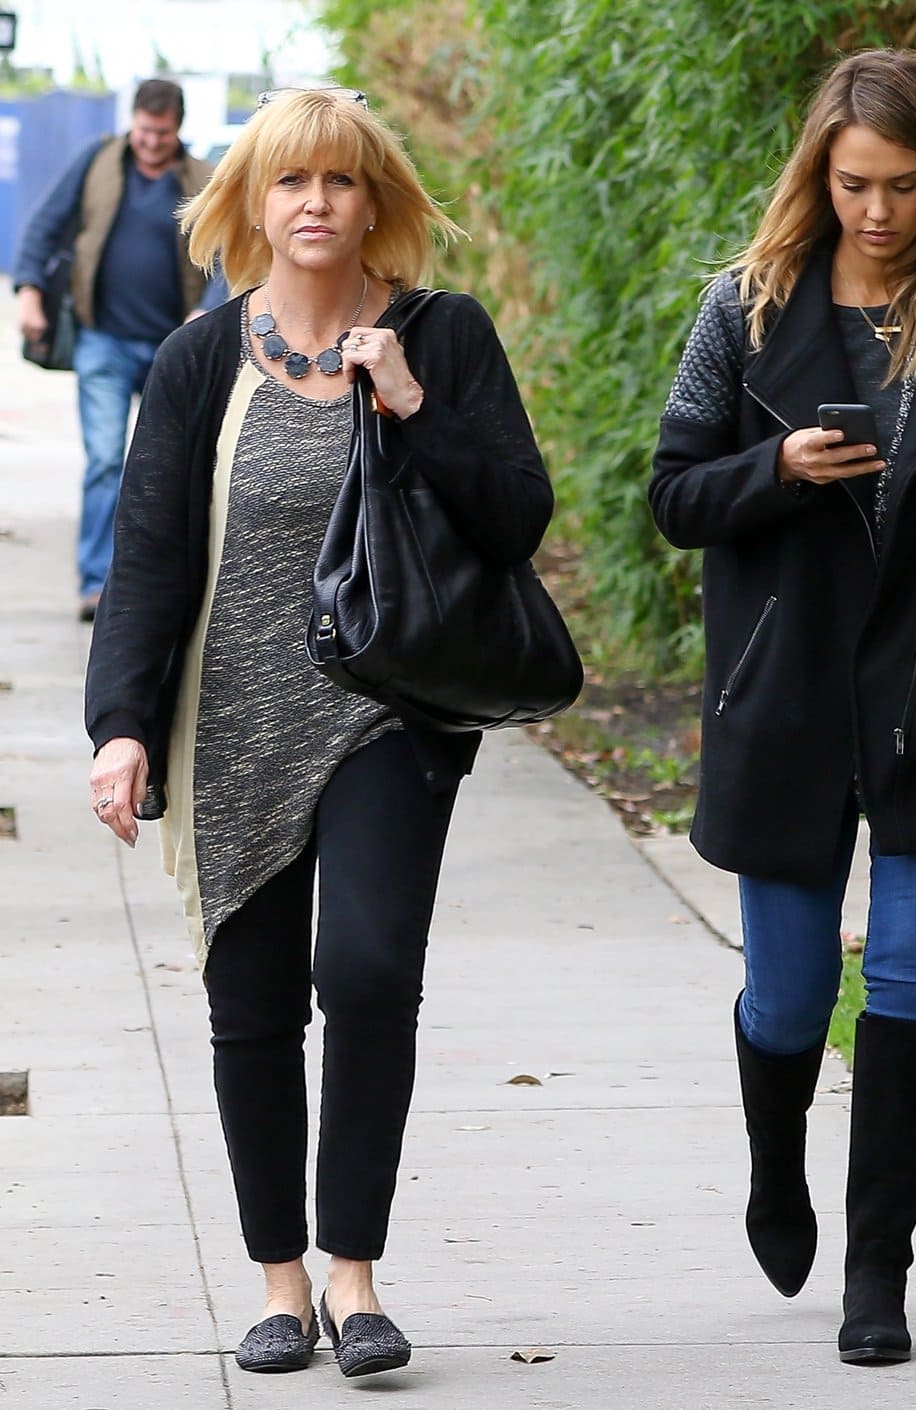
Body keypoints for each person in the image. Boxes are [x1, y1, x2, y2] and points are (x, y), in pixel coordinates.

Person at [83, 87, 553, 1377]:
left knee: (363, 972)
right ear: (249, 204)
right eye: (289, 183)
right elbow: (150, 565)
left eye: (340, 181)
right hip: (229, 721)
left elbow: (516, 518)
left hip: (387, 715)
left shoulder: (442, 339)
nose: (315, 204)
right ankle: (281, 1283)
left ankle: (355, 1275)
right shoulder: (195, 363)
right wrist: (123, 727)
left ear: (375, 202)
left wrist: (410, 403)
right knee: (252, 1007)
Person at [649, 49, 916, 1366]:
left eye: (898, 186)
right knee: (788, 992)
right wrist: (775, 465)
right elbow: (672, 497)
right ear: (818, 177)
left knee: (910, 976)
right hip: (781, 697)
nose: (875, 212)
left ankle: (876, 1270)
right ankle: (780, 1172)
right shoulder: (750, 309)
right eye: (851, 185)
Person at [14, 79, 225, 621]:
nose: (152, 142)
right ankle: (95, 585)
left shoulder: (201, 180)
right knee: (106, 460)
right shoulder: (99, 162)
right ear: (133, 121)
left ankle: (158, 585)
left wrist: (206, 309)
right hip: (101, 339)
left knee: (166, 468)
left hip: (171, 351)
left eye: (163, 133)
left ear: (178, 128)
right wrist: (30, 292)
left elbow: (230, 254)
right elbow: (44, 225)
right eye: (144, 130)